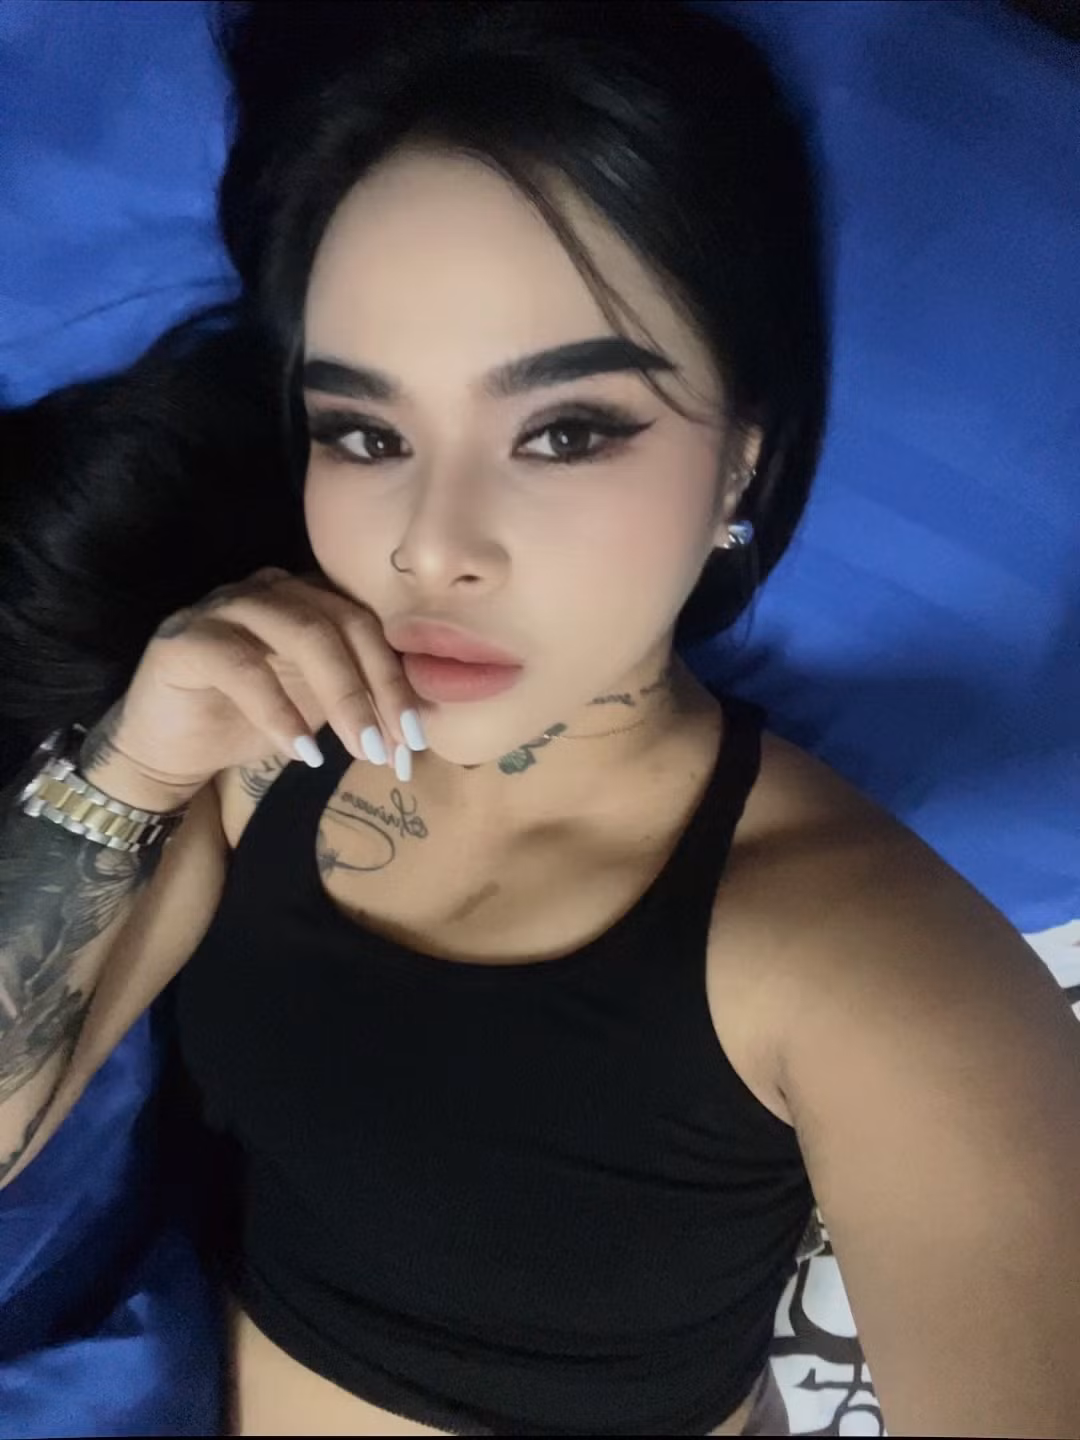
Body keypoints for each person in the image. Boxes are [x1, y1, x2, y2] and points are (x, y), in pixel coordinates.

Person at [1, 2, 1078, 1435]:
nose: (431, 545)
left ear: (744, 463)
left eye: (566, 431)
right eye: (365, 434)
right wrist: (130, 765)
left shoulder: (868, 968)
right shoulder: (264, 749)